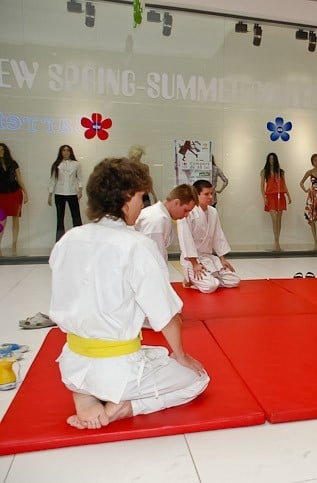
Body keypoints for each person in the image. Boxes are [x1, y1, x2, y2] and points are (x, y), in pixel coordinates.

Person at [49, 158, 209, 430]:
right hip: (117, 370)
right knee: (198, 380)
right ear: (126, 197)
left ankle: (84, 392)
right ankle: (124, 407)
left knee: (155, 352)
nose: (141, 203)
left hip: (73, 362)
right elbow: (167, 316)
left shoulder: (69, 239)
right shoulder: (136, 245)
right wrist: (181, 356)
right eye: (140, 196)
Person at [177, 180, 240, 293]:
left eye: (212, 193)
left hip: (208, 258)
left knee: (234, 280)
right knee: (210, 287)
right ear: (196, 195)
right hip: (192, 260)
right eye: (206, 194)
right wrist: (195, 264)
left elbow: (218, 235)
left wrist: (222, 259)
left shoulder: (213, 212)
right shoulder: (187, 212)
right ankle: (191, 279)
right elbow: (185, 240)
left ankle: (206, 278)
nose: (211, 197)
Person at [134, 184, 197, 261]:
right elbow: (152, 257)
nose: (186, 215)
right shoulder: (157, 220)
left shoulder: (159, 214)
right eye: (186, 210)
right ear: (176, 202)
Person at [48, 145, 83, 241]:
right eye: (64, 150)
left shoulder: (76, 164)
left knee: (76, 217)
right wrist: (50, 195)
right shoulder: (57, 164)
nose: (66, 152)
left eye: (68, 150)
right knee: (60, 219)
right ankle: (59, 241)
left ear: (71, 152)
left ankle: (80, 239)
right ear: (61, 152)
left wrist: (80, 190)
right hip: (59, 193)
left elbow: (80, 178)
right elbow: (53, 180)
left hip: (72, 193)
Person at [0, 142, 28, 255]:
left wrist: (26, 193)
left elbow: (19, 179)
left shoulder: (13, 163)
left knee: (15, 219)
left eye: (2, 149)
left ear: (5, 151)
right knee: (1, 220)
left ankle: (14, 245)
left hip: (15, 194)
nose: (0, 151)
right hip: (1, 195)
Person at [261, 152, 291, 251]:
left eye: (273, 159)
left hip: (280, 196)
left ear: (276, 160)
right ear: (267, 160)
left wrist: (288, 195)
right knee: (274, 220)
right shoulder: (265, 171)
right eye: (270, 159)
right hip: (270, 196)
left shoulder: (280, 171)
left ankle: (277, 243)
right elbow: (262, 186)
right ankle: (276, 243)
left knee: (279, 220)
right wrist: (264, 198)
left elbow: (284, 184)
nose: (271, 161)